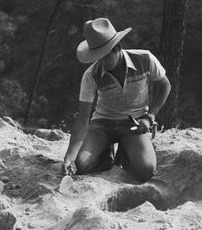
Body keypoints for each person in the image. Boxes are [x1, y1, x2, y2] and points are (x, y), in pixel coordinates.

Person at [62, 18, 171, 183]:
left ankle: (126, 151)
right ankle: (106, 154)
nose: (102, 62)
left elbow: (165, 86)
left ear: (118, 48)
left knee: (145, 170)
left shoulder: (145, 59)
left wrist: (150, 117)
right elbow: (83, 119)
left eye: (105, 56)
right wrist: (69, 157)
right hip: (102, 124)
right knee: (81, 165)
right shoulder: (91, 75)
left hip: (133, 125)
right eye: (98, 57)